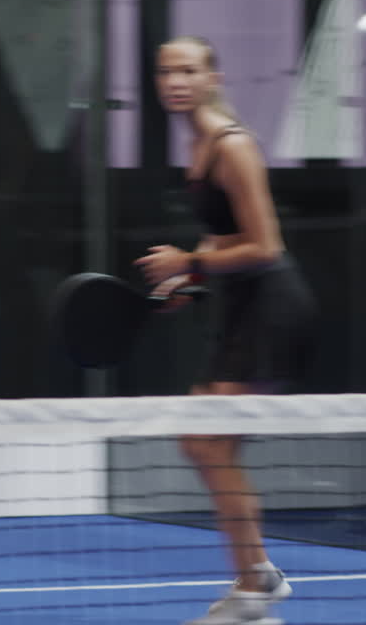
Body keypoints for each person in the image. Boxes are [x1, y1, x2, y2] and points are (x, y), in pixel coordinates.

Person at [134, 36, 317, 625]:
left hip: (273, 312)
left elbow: (265, 245)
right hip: (240, 309)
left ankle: (251, 593)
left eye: (188, 70)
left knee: (211, 443)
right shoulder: (199, 145)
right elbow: (224, 233)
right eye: (166, 72)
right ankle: (258, 576)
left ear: (211, 77)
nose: (176, 81)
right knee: (198, 440)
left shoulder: (233, 146)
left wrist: (190, 262)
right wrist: (187, 282)